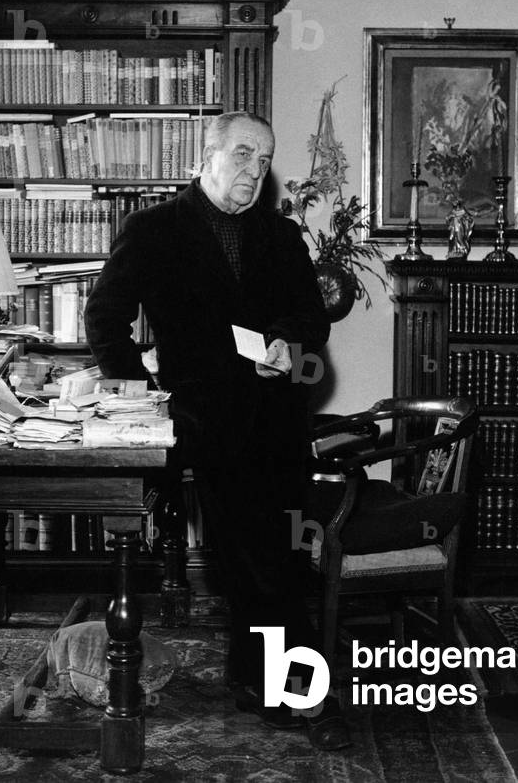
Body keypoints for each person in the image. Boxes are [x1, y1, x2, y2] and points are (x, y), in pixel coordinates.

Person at [84, 112, 349, 749]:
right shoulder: (153, 230)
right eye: (242, 154)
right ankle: (295, 694)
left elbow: (312, 324)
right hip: (200, 420)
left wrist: (288, 345)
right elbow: (104, 317)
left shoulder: (283, 237)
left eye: (264, 160)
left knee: (271, 557)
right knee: (258, 558)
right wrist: (144, 397)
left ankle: (254, 676)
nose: (254, 171)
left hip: (276, 418)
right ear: (206, 155)